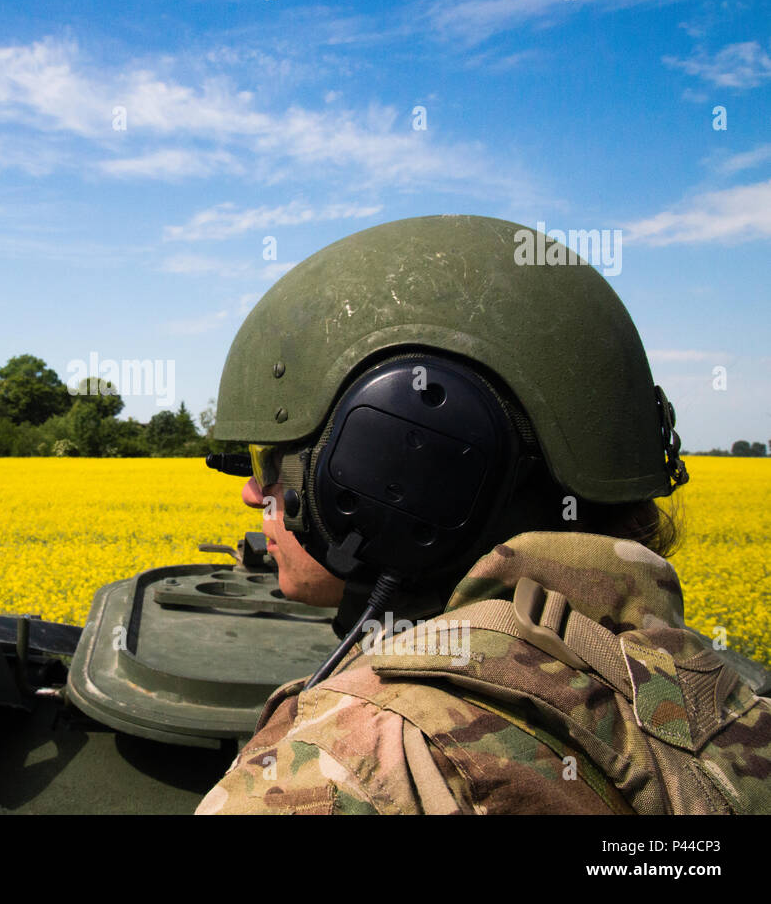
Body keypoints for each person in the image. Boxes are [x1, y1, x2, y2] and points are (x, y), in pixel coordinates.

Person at [196, 215, 771, 815]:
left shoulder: (346, 772)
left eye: (269, 464)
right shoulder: (728, 703)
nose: (252, 494)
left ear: (402, 456)